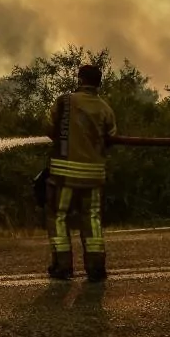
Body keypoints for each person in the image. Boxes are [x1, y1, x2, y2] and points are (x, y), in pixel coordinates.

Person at [45, 64, 118, 282]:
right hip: (94, 176)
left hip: (64, 175)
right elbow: (111, 137)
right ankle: (96, 268)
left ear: (79, 80)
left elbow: (48, 127)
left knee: (58, 216)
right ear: (98, 83)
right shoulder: (105, 108)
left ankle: (63, 266)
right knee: (92, 218)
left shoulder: (65, 101)